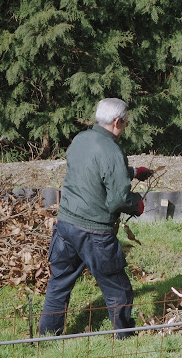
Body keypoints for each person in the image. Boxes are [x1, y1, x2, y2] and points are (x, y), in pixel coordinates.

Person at [38, 98, 153, 339]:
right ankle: (125, 336)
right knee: (117, 287)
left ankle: (47, 335)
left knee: (59, 283)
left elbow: (90, 169)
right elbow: (118, 200)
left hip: (66, 226)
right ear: (117, 121)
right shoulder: (112, 150)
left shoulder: (81, 140)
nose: (125, 127)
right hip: (95, 233)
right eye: (125, 123)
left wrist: (132, 172)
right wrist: (137, 204)